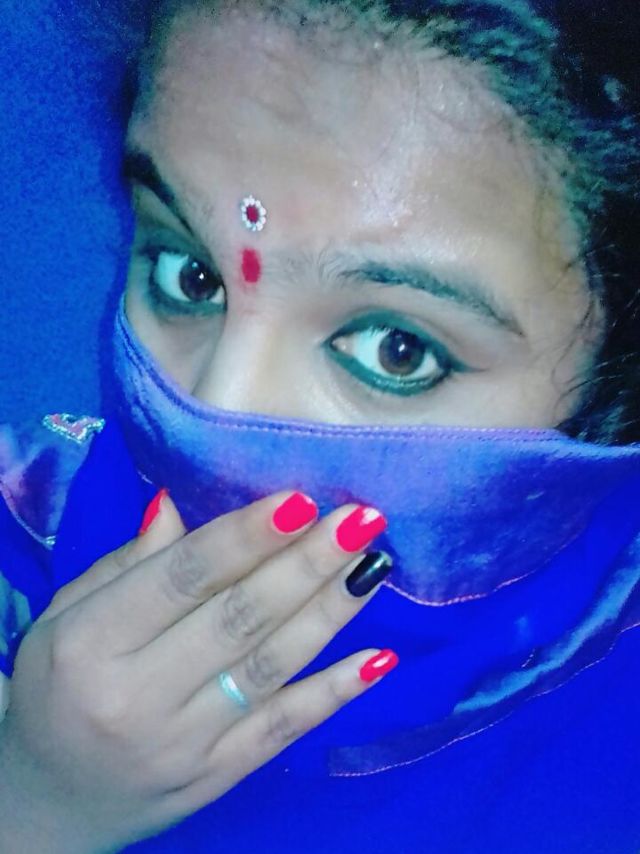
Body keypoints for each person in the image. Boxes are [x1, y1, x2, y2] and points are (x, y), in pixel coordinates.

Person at [1, 0, 640, 851]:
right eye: (191, 276)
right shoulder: (32, 505)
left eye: (396, 349)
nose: (215, 411)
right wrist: (35, 802)